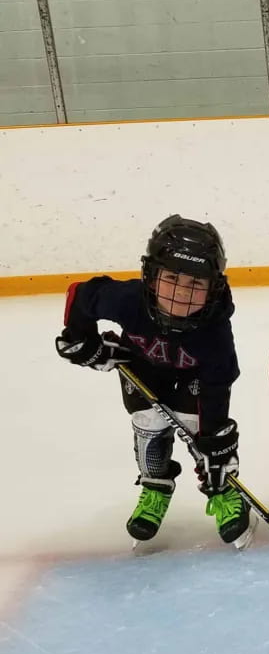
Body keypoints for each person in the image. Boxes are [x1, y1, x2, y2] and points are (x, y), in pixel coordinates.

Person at [54, 215, 254, 546]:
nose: (180, 293)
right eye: (172, 277)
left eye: (195, 284)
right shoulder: (129, 300)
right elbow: (82, 295)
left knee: (201, 431)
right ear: (151, 275)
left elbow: (216, 388)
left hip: (194, 379)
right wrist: (82, 339)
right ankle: (155, 486)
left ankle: (223, 492)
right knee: (147, 425)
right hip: (142, 366)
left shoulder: (215, 333)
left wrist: (213, 438)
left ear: (213, 287)